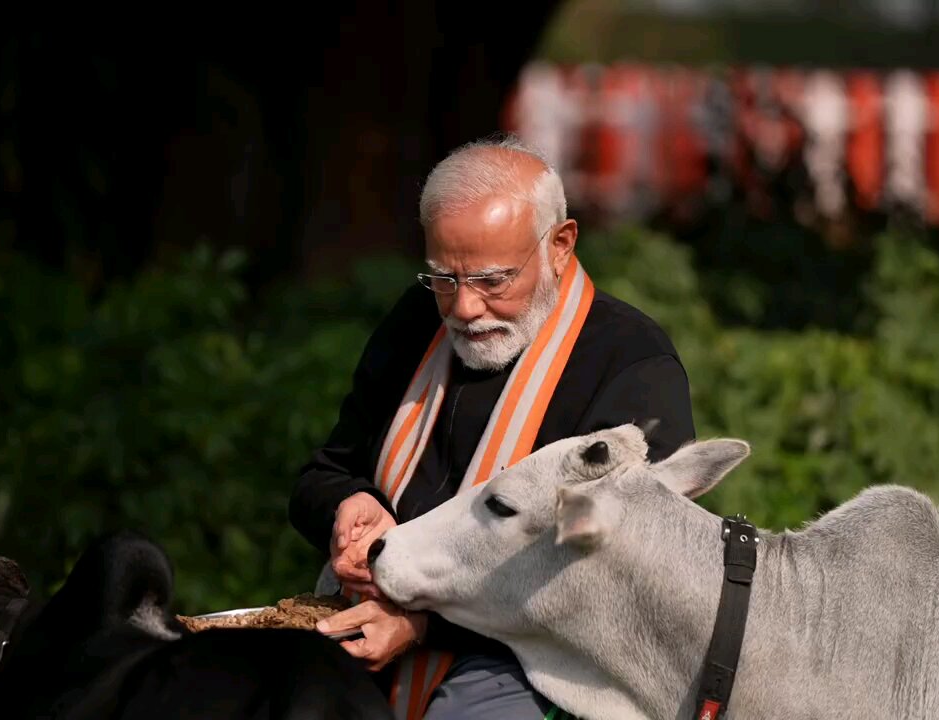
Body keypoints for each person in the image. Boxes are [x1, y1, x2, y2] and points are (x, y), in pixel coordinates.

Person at [288, 134, 696, 720]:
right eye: (443, 279)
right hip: (372, 615)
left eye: (492, 280)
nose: (464, 309)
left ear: (560, 245)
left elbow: (610, 567)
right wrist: (349, 507)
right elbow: (324, 473)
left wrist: (424, 624)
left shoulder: (630, 363)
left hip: (532, 656)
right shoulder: (414, 323)